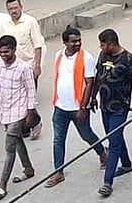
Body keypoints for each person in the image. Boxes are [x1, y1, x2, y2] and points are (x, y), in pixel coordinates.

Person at [45, 27, 106, 188]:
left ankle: (102, 152)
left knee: (86, 135)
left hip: (78, 107)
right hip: (60, 107)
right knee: (58, 139)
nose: (77, 43)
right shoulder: (58, 55)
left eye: (79, 40)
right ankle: (58, 171)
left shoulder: (87, 58)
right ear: (65, 42)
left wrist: (83, 107)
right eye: (73, 41)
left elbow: (89, 83)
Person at [0, 0, 45, 139]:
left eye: (15, 8)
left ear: (21, 7)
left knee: (30, 98)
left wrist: (37, 66)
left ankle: (35, 122)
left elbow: (37, 45)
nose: (13, 11)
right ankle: (21, 128)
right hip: (11, 69)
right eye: (10, 9)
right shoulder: (5, 24)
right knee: (17, 100)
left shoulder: (30, 22)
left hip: (27, 68)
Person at [0, 35, 38, 200]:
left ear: (14, 50)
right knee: (17, 140)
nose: (3, 55)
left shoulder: (23, 68)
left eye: (6, 52)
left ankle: (2, 184)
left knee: (9, 147)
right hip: (5, 111)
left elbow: (31, 91)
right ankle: (28, 169)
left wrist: (30, 112)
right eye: (1, 52)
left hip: (19, 112)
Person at [93, 29, 132, 198]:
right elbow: (98, 76)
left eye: (103, 44)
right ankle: (127, 164)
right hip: (104, 106)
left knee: (113, 143)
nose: (101, 47)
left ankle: (107, 182)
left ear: (111, 43)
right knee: (114, 135)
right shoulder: (103, 55)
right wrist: (93, 97)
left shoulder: (129, 60)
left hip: (119, 108)